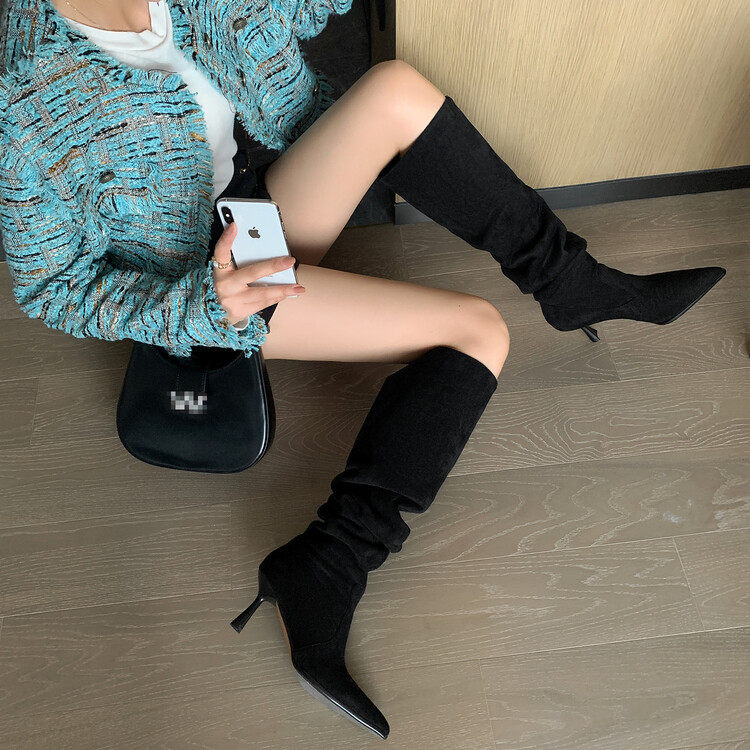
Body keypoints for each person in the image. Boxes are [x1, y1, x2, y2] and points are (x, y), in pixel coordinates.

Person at [0, 0, 726, 739]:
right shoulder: (25, 87)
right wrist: (200, 307)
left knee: (395, 89)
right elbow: (54, 287)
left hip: (253, 212)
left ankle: (573, 283)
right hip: (206, 293)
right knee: (477, 332)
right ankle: (327, 567)